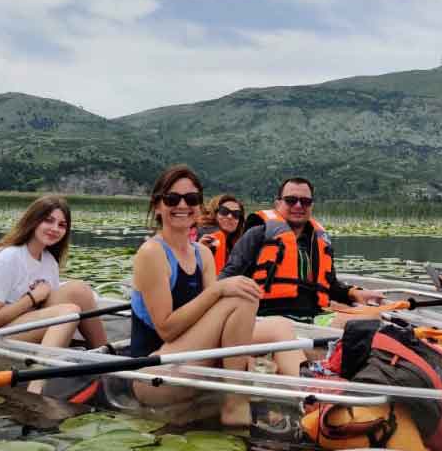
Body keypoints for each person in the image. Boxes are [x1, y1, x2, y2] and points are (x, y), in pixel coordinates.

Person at [129, 165, 303, 423]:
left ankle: (302, 399)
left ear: (199, 206)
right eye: (172, 199)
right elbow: (166, 329)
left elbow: (215, 318)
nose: (182, 205)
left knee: (281, 325)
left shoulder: (202, 253)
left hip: (194, 358)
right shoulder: (152, 253)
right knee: (239, 295)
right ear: (157, 206)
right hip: (154, 374)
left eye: (191, 199)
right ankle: (235, 401)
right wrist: (219, 289)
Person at [0, 195, 108, 392]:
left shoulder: (49, 261)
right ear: (33, 220)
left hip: (19, 322)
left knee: (78, 290)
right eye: (48, 220)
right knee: (68, 312)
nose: (55, 229)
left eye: (62, 225)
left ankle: (106, 362)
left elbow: (49, 305)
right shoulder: (6, 259)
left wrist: (37, 300)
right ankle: (36, 388)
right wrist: (32, 298)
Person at [219, 177, 384, 323]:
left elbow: (330, 285)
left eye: (305, 201)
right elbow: (228, 278)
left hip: (313, 316)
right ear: (278, 204)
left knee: (372, 316)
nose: (298, 205)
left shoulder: (318, 241)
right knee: (360, 327)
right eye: (291, 200)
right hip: (268, 317)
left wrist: (354, 293)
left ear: (311, 206)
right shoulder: (257, 235)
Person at [198, 193, 246, 274]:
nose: (230, 216)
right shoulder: (206, 237)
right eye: (224, 211)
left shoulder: (234, 244)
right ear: (214, 214)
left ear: (239, 221)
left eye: (236, 214)